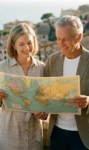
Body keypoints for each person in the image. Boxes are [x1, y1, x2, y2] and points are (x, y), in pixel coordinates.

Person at [0, 23, 45, 150]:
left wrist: (44, 112)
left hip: (34, 136)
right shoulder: (3, 67)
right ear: (13, 45)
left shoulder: (42, 68)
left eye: (29, 43)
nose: (27, 47)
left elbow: (44, 100)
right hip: (8, 136)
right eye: (21, 44)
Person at [44, 15, 89, 150]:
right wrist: (42, 109)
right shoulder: (52, 61)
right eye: (58, 39)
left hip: (84, 135)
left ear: (79, 37)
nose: (60, 44)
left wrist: (88, 101)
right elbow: (45, 93)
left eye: (65, 40)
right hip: (57, 132)